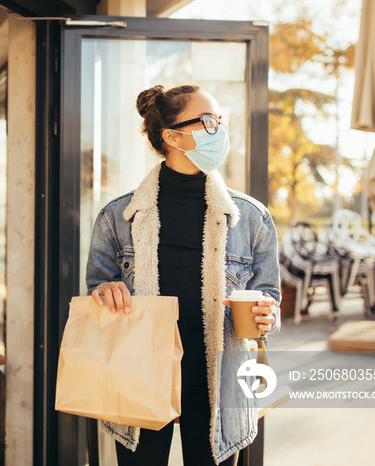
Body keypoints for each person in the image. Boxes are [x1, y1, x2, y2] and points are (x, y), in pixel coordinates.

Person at [85, 84, 281, 465]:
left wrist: (266, 315)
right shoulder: (117, 217)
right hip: (139, 379)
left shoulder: (252, 218)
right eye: (209, 121)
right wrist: (105, 292)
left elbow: (268, 300)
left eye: (221, 121)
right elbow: (98, 290)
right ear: (172, 136)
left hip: (219, 387)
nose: (220, 130)